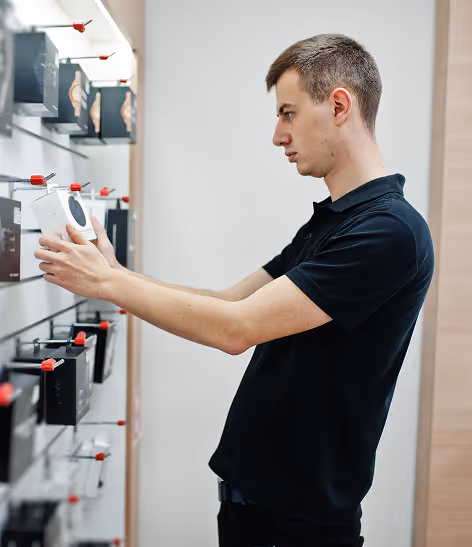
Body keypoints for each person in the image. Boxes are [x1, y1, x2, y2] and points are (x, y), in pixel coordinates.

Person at [35, 33, 434, 547]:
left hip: (299, 522)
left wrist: (108, 282)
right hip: (257, 506)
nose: (277, 134)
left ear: (339, 105)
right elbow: (231, 301)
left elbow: (235, 330)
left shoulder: (389, 232)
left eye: (287, 113)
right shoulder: (339, 220)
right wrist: (118, 276)